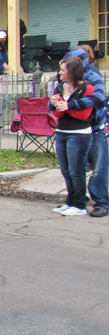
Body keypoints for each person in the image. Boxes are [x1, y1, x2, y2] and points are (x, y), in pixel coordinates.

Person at [60, 47, 107, 217]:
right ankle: (77, 200)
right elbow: (56, 104)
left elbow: (99, 98)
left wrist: (71, 105)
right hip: (76, 130)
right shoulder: (66, 83)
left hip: (94, 128)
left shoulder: (92, 77)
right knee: (74, 168)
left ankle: (102, 203)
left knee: (98, 167)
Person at [50, 57, 95, 216]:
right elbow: (57, 114)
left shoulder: (87, 88)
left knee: (76, 170)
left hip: (79, 134)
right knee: (66, 170)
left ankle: (80, 205)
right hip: (62, 132)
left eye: (63, 69)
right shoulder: (61, 87)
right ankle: (70, 202)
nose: (60, 72)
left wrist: (66, 106)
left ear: (72, 71)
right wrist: (58, 103)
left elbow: (84, 115)